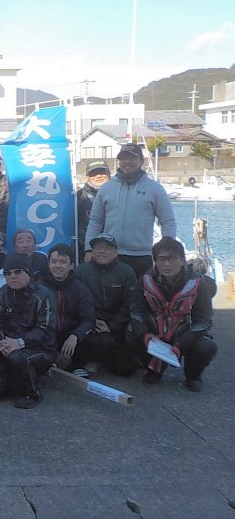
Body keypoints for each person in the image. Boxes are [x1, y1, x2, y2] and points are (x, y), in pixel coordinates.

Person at [131, 237, 217, 391]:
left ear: (182, 260)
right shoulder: (144, 281)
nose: (167, 264)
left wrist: (181, 344)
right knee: (130, 336)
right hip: (155, 333)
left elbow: (203, 321)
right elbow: (137, 312)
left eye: (172, 258)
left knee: (206, 346)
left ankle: (193, 375)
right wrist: (145, 335)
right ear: (155, 261)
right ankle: (154, 369)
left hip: (184, 333)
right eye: (161, 259)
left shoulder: (198, 284)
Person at [85, 143, 176, 277]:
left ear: (141, 161)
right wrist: (88, 249)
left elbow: (168, 222)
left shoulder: (155, 189)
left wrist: (167, 250)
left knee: (141, 291)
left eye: (132, 158)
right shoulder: (106, 188)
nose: (127, 161)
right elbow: (95, 221)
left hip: (142, 257)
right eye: (123, 158)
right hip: (110, 255)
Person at [0, 254, 57, 409]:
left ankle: (33, 393)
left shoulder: (44, 295)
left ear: (28, 272)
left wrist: (20, 342)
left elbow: (46, 329)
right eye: (7, 273)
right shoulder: (3, 292)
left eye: (18, 272)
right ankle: (17, 379)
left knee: (18, 357)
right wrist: (3, 342)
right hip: (9, 347)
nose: (12, 276)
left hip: (41, 349)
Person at [73, 233, 139, 376]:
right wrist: (90, 321)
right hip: (91, 322)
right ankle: (89, 359)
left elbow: (130, 303)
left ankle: (111, 356)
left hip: (117, 325)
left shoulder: (126, 272)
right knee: (96, 341)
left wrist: (112, 326)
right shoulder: (80, 271)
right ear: (92, 251)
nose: (102, 251)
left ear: (116, 252)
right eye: (97, 247)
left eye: (107, 248)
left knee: (125, 370)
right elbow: (76, 302)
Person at [40, 243, 96, 377]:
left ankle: (77, 364)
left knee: (96, 340)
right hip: (47, 335)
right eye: (53, 261)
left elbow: (88, 319)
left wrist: (75, 335)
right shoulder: (39, 287)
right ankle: (54, 362)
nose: (58, 265)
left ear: (71, 265)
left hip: (70, 335)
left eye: (63, 262)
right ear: (48, 264)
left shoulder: (80, 288)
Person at [76, 160, 110, 251]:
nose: (98, 176)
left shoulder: (120, 194)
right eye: (93, 173)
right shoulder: (78, 197)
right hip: (87, 247)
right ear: (87, 176)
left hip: (114, 246)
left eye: (102, 172)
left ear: (109, 174)